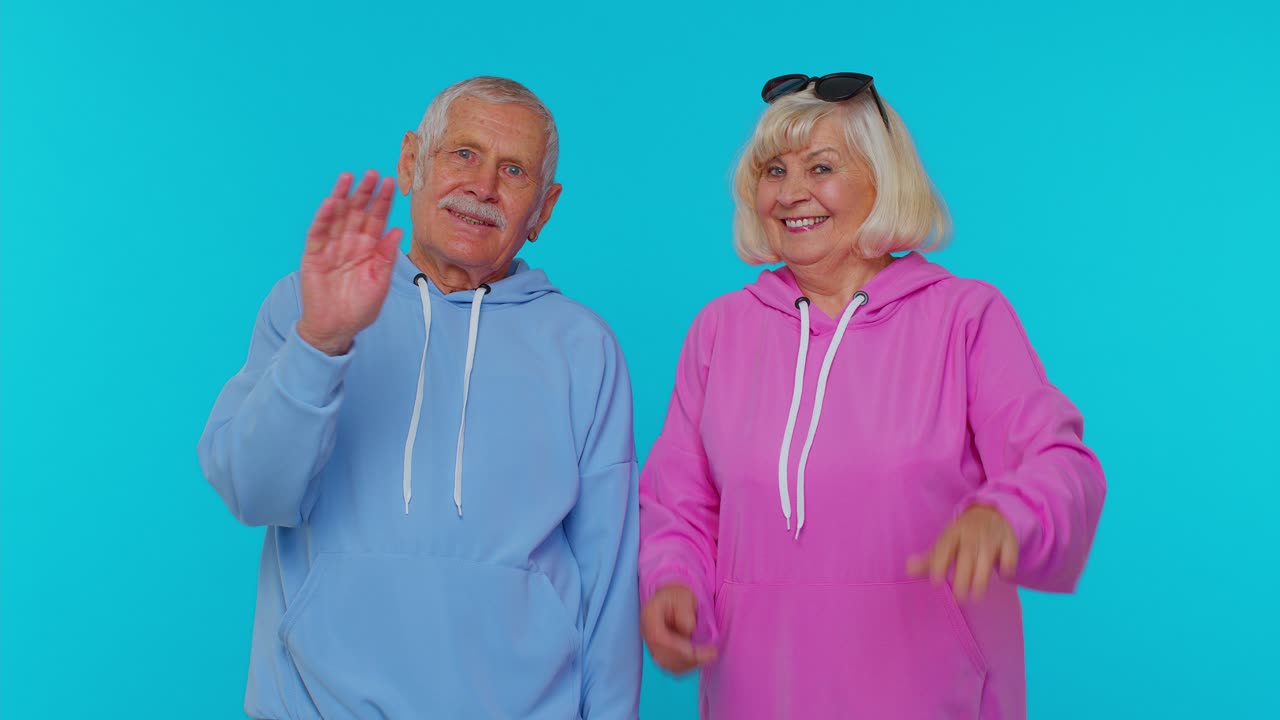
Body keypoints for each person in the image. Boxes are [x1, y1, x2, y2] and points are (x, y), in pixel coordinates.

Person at [637, 72, 1106, 719]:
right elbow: (680, 505)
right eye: (774, 170)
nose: (791, 192)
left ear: (883, 181)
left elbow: (1061, 462)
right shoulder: (721, 330)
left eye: (820, 167)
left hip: (928, 695)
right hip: (757, 693)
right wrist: (672, 584)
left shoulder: (965, 317)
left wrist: (1004, 514)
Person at [198, 76, 641, 719]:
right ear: (412, 162)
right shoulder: (308, 305)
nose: (483, 187)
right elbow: (253, 491)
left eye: (512, 170)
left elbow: (610, 582)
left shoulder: (584, 347)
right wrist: (322, 343)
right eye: (463, 153)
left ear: (543, 210)